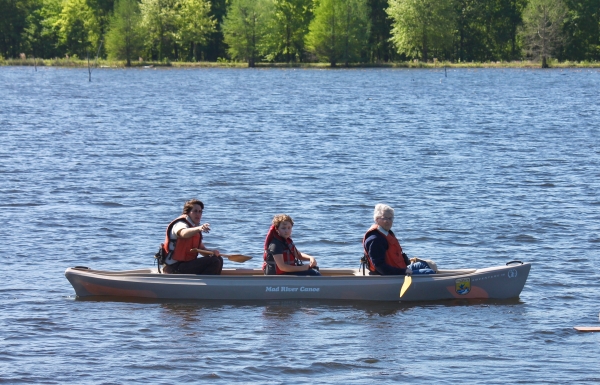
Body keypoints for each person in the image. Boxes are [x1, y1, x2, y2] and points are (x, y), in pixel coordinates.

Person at [362, 204, 435, 276]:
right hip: (391, 275)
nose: (388, 221)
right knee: (429, 272)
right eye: (385, 218)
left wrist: (406, 263)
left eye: (390, 218)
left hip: (398, 269)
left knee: (426, 264)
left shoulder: (386, 233)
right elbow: (380, 267)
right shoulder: (375, 239)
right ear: (377, 219)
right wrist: (404, 271)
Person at [161, 199, 223, 275]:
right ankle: (204, 285)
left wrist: (211, 252)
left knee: (218, 259)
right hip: (174, 267)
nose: (198, 214)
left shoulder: (193, 227)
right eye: (195, 211)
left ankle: (212, 282)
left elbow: (202, 249)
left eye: (200, 212)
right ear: (188, 213)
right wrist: (199, 228)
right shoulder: (180, 224)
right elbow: (183, 233)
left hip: (185, 265)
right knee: (214, 261)